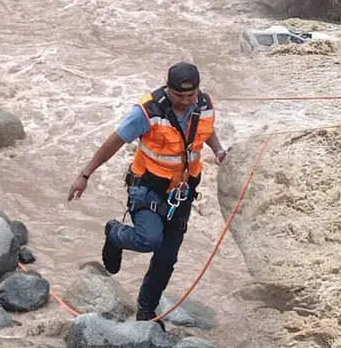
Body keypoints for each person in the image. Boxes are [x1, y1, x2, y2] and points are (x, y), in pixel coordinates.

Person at [67, 62, 228, 329]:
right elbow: (115, 141)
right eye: (180, 96)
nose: (186, 102)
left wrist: (219, 151)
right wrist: (85, 174)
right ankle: (115, 234)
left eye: (191, 96)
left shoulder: (204, 104)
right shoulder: (147, 111)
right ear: (168, 88)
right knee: (149, 239)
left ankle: (146, 312)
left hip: (182, 193)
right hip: (147, 187)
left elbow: (205, 130)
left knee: (166, 259)